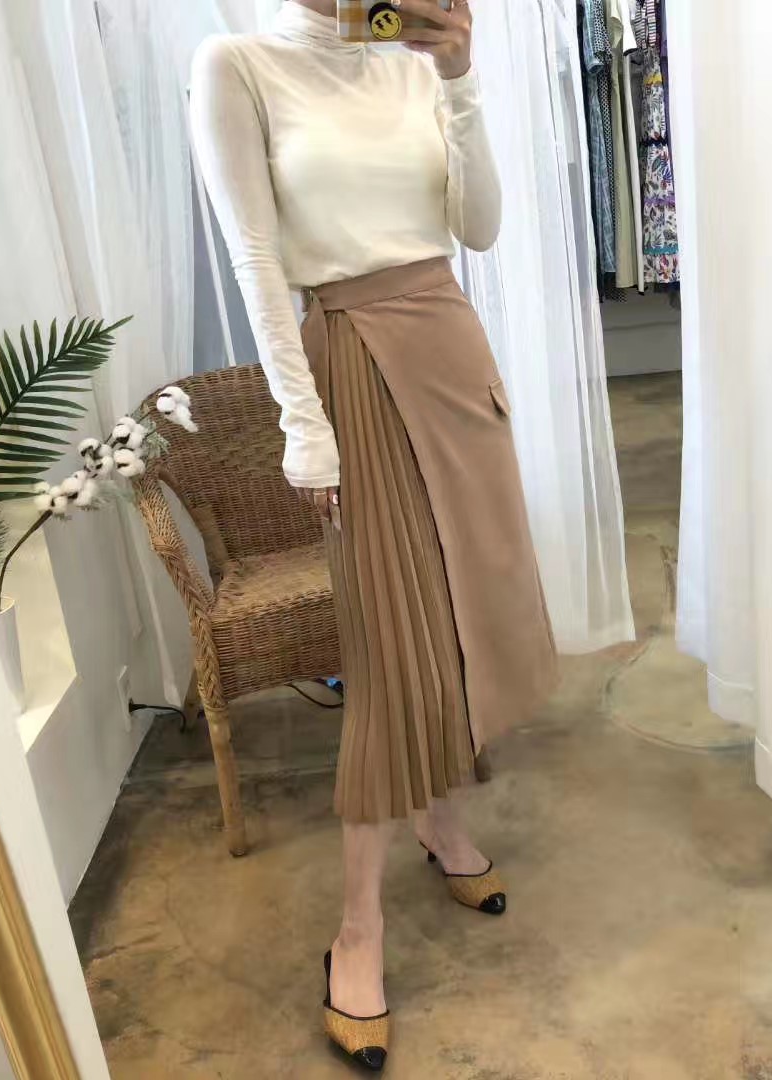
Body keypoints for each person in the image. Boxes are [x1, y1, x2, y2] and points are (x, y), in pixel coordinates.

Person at [190, 0, 557, 1068]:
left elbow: (478, 228)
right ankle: (358, 926)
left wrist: (461, 78)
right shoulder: (238, 63)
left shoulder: (413, 63)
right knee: (391, 645)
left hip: (450, 346)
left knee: (462, 613)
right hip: (349, 361)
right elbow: (255, 258)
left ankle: (440, 820)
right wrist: (302, 424)